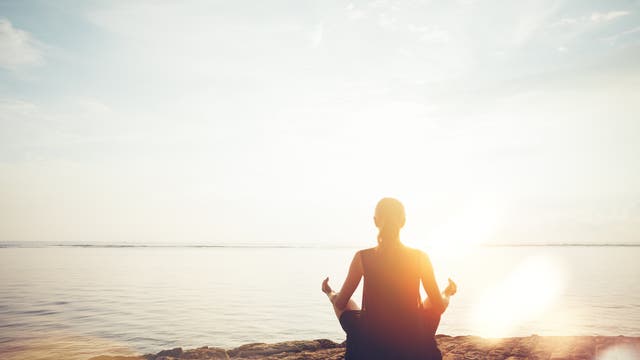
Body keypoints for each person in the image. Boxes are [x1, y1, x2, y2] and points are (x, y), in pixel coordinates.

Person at [321, 197, 457, 359]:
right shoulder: (420, 257)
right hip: (413, 342)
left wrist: (330, 293)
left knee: (343, 302)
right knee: (435, 301)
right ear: (403, 222)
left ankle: (329, 291)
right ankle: (448, 291)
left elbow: (341, 303)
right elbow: (439, 307)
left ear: (375, 221)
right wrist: (446, 294)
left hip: (371, 344)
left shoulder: (362, 257)